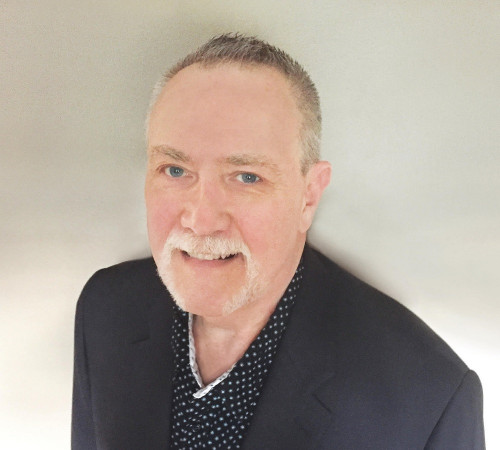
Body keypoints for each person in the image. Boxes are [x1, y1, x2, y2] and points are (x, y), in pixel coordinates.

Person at [72, 33, 485, 449]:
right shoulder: (105, 309)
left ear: (309, 196)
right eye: (175, 170)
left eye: (246, 177)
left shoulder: (428, 398)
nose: (201, 221)